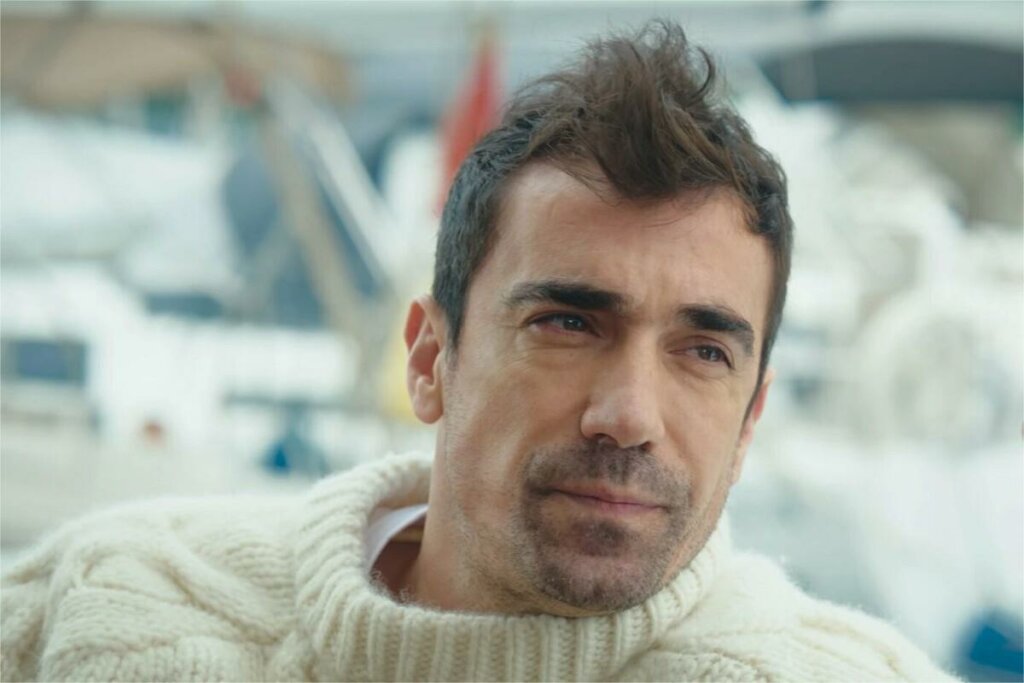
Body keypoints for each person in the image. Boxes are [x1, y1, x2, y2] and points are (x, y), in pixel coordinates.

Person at [1, 21, 954, 682]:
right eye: (568, 323)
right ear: (430, 359)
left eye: (704, 352)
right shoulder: (106, 603)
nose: (629, 415)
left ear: (750, 421)